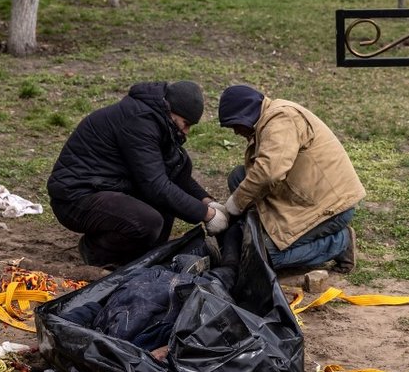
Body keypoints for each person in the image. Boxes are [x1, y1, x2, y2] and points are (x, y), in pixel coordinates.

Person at [47, 81, 228, 268]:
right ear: (172, 111)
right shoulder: (139, 122)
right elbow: (156, 185)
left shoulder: (158, 120)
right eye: (186, 123)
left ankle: (142, 256)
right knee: (147, 221)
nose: (186, 131)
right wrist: (206, 215)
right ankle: (97, 252)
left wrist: (206, 201)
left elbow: (174, 174)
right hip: (75, 196)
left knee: (166, 204)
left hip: (106, 187)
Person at [216, 84, 365, 272]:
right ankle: (260, 230)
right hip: (306, 193)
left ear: (245, 114)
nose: (236, 132)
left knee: (266, 255)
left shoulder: (281, 119)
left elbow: (269, 173)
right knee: (238, 177)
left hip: (331, 207)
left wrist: (235, 204)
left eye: (235, 125)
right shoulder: (267, 119)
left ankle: (339, 242)